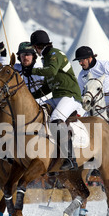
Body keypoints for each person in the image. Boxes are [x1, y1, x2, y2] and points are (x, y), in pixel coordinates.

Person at [25, 30, 83, 171]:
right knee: (39, 112)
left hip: (70, 96)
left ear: (37, 46)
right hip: (57, 96)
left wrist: (31, 70)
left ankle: (70, 158)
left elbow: (51, 72)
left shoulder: (54, 54)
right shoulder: (46, 58)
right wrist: (30, 97)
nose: (35, 51)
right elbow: (47, 86)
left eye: (34, 48)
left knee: (56, 119)